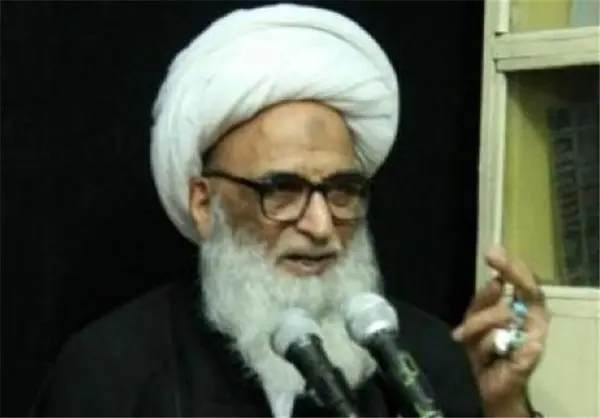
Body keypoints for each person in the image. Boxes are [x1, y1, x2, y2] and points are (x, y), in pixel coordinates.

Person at [31, 4, 550, 417]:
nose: (321, 226)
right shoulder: (112, 371)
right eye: (281, 190)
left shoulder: (422, 358)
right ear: (204, 203)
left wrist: (502, 408)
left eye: (342, 190)